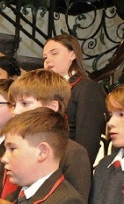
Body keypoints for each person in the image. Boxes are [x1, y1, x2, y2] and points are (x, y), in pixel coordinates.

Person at [9, 69, 93, 202]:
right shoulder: (12, 146)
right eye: (14, 105)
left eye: (24, 103)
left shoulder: (73, 153)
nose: (15, 111)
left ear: (52, 107)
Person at [43, 34, 107, 164]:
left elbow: (87, 140)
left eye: (54, 53)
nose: (48, 60)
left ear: (72, 55)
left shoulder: (87, 88)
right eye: (45, 57)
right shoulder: (46, 91)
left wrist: (78, 170)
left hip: (69, 165)